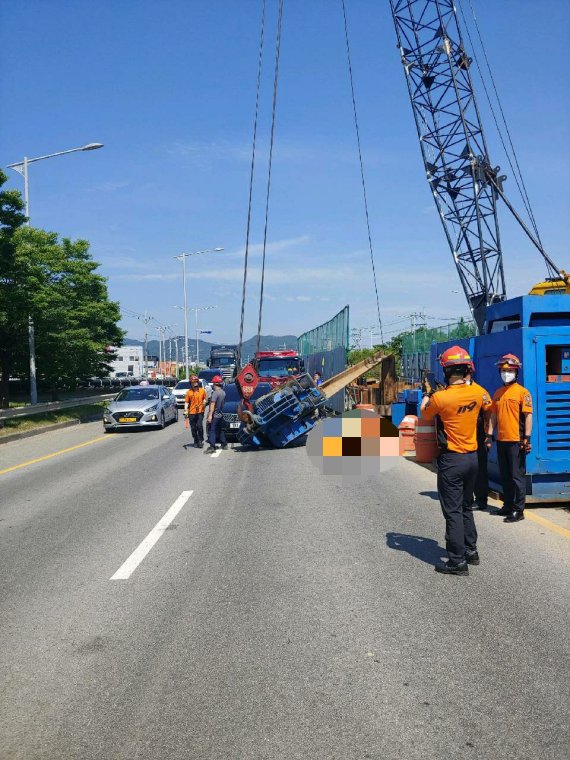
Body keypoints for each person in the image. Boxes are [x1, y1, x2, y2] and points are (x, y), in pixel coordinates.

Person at [421, 346, 492, 575]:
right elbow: (489, 408)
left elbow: (425, 413)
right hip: (472, 458)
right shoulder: (479, 392)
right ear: (467, 369)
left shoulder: (440, 398)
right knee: (465, 507)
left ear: (446, 371)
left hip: (452, 460)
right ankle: (471, 552)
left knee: (452, 511)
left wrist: (426, 393)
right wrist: (488, 434)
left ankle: (457, 561)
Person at [487, 354, 532, 523]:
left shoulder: (522, 393)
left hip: (517, 440)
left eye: (510, 370)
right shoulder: (498, 393)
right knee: (505, 475)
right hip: (502, 440)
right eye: (504, 370)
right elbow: (493, 416)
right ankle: (507, 505)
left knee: (516, 476)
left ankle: (518, 510)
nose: (507, 373)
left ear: (516, 372)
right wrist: (489, 435)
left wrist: (526, 437)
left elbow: (528, 416)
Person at [466, 363, 490, 512]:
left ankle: (481, 500)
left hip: (478, 435)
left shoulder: (480, 392)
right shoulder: (456, 391)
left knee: (480, 468)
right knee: (466, 469)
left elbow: (488, 413)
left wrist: (488, 435)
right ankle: (468, 498)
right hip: (462, 436)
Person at [204, 375, 227, 454]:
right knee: (220, 430)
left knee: (212, 430)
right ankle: (224, 444)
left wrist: (210, 416)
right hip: (221, 415)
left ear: (214, 384)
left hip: (215, 415)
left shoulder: (215, 393)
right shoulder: (223, 393)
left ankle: (212, 446)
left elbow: (212, 405)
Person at [184, 375, 207, 448]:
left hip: (200, 411)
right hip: (191, 412)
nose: (195, 383)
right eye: (193, 382)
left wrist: (204, 401)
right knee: (193, 428)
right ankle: (195, 440)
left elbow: (205, 398)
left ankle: (200, 440)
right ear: (191, 383)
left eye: (196, 382)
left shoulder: (202, 390)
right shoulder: (189, 392)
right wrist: (185, 410)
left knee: (199, 426)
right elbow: (186, 402)